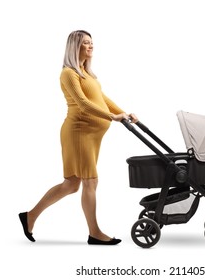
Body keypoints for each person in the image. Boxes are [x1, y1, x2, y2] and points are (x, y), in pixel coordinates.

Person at [19, 30, 138, 245]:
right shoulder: (68, 73)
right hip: (79, 132)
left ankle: (30, 216)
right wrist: (113, 117)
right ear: (75, 46)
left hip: (91, 135)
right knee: (90, 181)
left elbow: (101, 98)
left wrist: (125, 113)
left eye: (92, 43)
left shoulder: (86, 73)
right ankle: (95, 233)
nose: (91, 46)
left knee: (72, 184)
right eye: (85, 43)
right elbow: (83, 103)